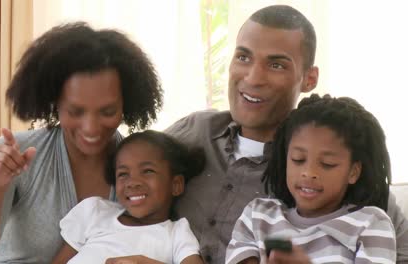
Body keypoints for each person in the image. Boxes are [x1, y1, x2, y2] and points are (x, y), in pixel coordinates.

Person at [165, 5, 408, 263]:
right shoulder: (192, 130)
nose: (253, 77)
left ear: (309, 79)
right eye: (243, 57)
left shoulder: (359, 198)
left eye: (276, 65)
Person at [0, 22, 163, 264]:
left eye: (107, 112)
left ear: (126, 105)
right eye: (75, 111)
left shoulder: (142, 170)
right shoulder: (13, 154)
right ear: (54, 103)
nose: (91, 127)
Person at [226, 94, 396, 263]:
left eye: (327, 164)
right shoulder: (258, 216)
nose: (308, 172)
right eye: (298, 159)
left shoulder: (370, 224)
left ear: (353, 172)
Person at [51, 130, 205, 264]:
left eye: (147, 171)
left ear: (176, 184)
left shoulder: (177, 234)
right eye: (123, 174)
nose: (132, 183)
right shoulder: (96, 212)